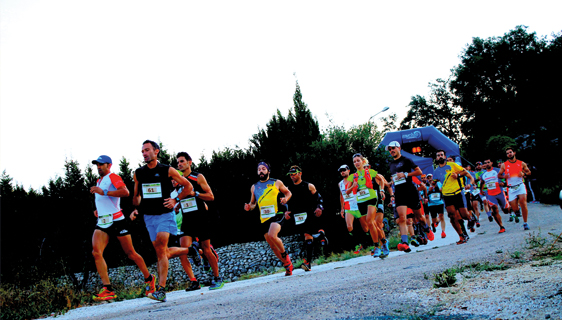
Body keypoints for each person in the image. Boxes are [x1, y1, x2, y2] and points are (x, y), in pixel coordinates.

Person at [130, 140, 193, 302]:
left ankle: (161, 289)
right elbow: (136, 197)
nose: (144, 153)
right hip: (148, 217)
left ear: (156, 151)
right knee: (160, 252)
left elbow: (188, 187)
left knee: (161, 246)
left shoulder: (167, 170)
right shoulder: (138, 173)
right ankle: (190, 250)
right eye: (142, 151)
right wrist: (136, 207)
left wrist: (176, 200)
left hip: (165, 214)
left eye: (147, 150)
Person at [90, 155, 156, 301]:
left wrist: (104, 192)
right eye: (97, 165)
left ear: (109, 165)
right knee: (96, 252)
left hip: (117, 221)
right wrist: (98, 210)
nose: (99, 167)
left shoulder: (113, 177)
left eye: (101, 164)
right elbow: (103, 200)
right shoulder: (99, 181)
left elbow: (125, 192)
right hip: (102, 222)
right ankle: (107, 289)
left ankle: (149, 278)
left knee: (131, 253)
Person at [176, 152, 224, 290]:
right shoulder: (179, 181)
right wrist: (178, 206)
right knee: (183, 250)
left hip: (201, 218)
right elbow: (182, 198)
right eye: (178, 162)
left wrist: (195, 194)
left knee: (207, 249)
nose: (179, 164)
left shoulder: (197, 177)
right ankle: (194, 281)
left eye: (182, 161)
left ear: (189, 162)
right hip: (187, 220)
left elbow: (211, 196)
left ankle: (217, 278)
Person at [244, 162, 294, 275]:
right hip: (264, 218)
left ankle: (286, 257)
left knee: (272, 235)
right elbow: (253, 204)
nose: (261, 171)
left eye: (263, 169)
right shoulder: (254, 186)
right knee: (272, 245)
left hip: (277, 213)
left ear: (268, 171)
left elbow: (288, 193)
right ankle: (287, 265)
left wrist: (285, 199)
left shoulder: (276, 182)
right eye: (259, 169)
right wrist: (249, 207)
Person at [387, 141, 434, 253]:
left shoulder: (406, 160)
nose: (391, 151)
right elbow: (394, 177)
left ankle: (426, 228)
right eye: (389, 149)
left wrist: (406, 174)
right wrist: (391, 182)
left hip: (410, 191)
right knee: (402, 218)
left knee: (419, 217)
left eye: (393, 148)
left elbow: (419, 171)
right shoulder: (391, 164)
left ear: (399, 148)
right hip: (399, 193)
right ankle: (405, 243)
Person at [346, 154, 391, 258]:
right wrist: (353, 186)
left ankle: (377, 247)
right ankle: (384, 241)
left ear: (363, 161)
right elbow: (347, 192)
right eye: (354, 162)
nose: (356, 163)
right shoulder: (352, 177)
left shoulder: (370, 172)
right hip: (361, 201)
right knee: (371, 224)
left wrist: (382, 190)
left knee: (370, 221)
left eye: (358, 161)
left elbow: (382, 180)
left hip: (371, 198)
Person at [285, 165, 327, 271]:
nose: (292, 176)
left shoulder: (309, 186)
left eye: (294, 174)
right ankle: (320, 235)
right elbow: (285, 204)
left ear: (300, 173)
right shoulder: (288, 189)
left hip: (310, 213)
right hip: (297, 216)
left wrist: (319, 208)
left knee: (307, 235)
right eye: (290, 175)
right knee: (307, 236)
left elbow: (319, 198)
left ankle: (308, 263)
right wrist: (286, 212)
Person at [433, 150, 475, 244]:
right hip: (447, 195)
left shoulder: (452, 165)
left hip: (457, 193)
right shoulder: (436, 171)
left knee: (464, 215)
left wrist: (458, 175)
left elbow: (465, 172)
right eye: (438, 155)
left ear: (445, 156)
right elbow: (434, 181)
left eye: (441, 155)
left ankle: (471, 219)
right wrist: (432, 184)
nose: (440, 157)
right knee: (452, 216)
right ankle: (461, 236)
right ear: (436, 158)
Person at [498, 147, 532, 230]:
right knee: (514, 208)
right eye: (507, 153)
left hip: (520, 185)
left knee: (523, 203)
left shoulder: (521, 163)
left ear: (514, 153)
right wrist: (504, 176)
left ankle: (525, 223)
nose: (509, 154)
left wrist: (523, 173)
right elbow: (499, 175)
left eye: (510, 152)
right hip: (511, 188)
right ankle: (517, 210)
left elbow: (529, 172)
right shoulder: (504, 165)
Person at [338, 164, 369, 254]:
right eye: (341, 171)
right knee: (349, 226)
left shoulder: (355, 179)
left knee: (365, 227)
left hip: (358, 204)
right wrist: (342, 209)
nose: (342, 172)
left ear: (348, 170)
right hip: (348, 206)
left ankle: (369, 242)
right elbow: (341, 196)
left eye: (344, 170)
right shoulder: (340, 184)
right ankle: (358, 244)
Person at [479, 158, 506, 233]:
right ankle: (501, 226)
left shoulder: (497, 170)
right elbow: (482, 182)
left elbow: (504, 177)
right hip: (490, 194)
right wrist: (481, 190)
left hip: (500, 192)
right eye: (485, 163)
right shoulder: (483, 174)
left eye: (488, 162)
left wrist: (503, 183)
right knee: (494, 209)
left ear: (491, 163)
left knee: (505, 210)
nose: (487, 164)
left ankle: (513, 212)